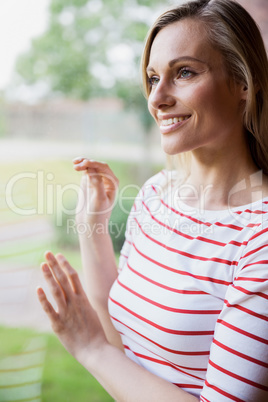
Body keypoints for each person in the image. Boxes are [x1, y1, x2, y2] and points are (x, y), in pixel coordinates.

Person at [37, 0, 268, 400]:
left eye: (183, 73)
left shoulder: (259, 237)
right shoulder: (156, 193)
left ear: (243, 83)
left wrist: (89, 348)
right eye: (152, 77)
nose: (157, 98)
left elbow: (103, 350)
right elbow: (123, 349)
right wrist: (92, 226)